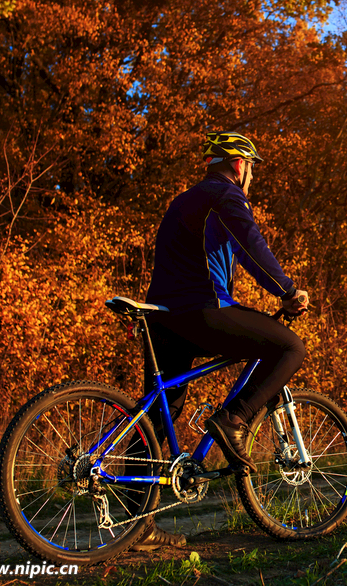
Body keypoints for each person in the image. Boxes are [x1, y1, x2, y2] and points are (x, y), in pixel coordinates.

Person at [132, 131, 309, 551]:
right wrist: (285, 290)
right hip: (200, 312)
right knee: (289, 347)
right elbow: (252, 246)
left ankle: (135, 527)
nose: (251, 177)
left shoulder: (183, 199)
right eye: (251, 168)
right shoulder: (224, 197)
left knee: (157, 417)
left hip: (162, 318)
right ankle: (235, 419)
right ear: (238, 165)